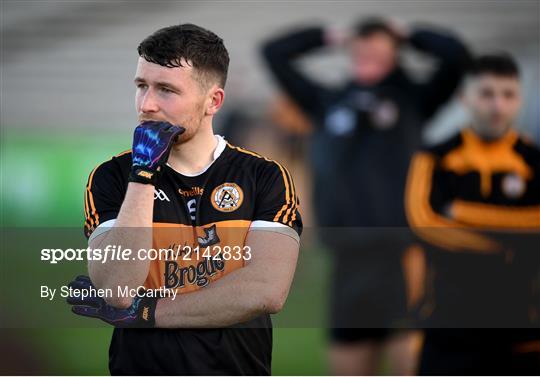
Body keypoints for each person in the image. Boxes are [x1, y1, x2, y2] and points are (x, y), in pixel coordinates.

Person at [67, 23, 302, 375]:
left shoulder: (264, 177)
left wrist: (146, 311)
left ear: (213, 101)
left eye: (166, 90)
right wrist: (143, 175)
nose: (147, 104)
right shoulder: (112, 177)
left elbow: (266, 290)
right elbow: (117, 288)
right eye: (141, 86)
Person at [261, 17, 470, 374]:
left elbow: (457, 57)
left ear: (394, 52)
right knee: (348, 361)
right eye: (362, 47)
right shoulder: (327, 101)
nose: (368, 54)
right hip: (347, 258)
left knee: (409, 358)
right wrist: (328, 36)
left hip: (402, 254)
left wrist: (409, 34)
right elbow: (274, 53)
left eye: (378, 47)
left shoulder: (415, 99)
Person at [405, 54, 540, 374]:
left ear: (520, 100)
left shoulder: (534, 160)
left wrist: (462, 212)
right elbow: (425, 224)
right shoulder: (433, 158)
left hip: (524, 320)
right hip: (450, 321)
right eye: (487, 94)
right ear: (464, 98)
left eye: (508, 95)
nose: (498, 106)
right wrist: (509, 245)